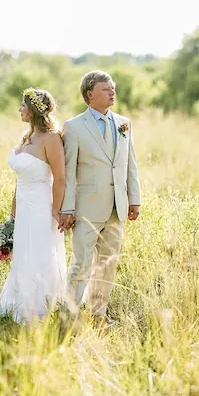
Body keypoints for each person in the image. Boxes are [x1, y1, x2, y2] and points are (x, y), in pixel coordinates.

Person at [59, 70, 142, 324]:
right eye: (106, 89)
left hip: (117, 206)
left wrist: (134, 198)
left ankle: (98, 314)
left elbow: (130, 164)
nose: (112, 92)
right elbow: (69, 171)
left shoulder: (124, 123)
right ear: (89, 95)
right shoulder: (73, 127)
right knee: (81, 263)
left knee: (108, 264)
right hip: (86, 207)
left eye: (113, 88)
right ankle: (68, 314)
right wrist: (67, 208)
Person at [0, 87, 67, 324]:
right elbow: (21, 177)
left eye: (23, 105)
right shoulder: (27, 137)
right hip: (24, 207)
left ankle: (42, 306)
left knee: (40, 252)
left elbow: (60, 178)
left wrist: (57, 211)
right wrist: (14, 207)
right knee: (23, 253)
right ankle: (18, 301)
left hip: (41, 207)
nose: (19, 109)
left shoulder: (52, 138)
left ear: (33, 110)